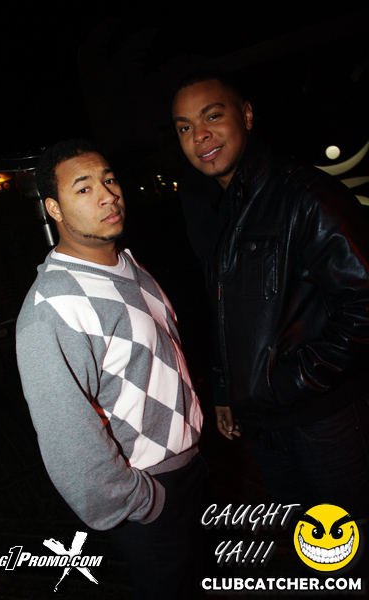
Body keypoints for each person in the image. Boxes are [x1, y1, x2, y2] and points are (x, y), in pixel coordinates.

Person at [172, 71, 369, 528]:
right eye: (184, 127)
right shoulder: (217, 207)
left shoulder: (305, 194)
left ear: (246, 115)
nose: (199, 135)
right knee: (309, 541)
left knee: (349, 543)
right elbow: (227, 311)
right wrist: (225, 388)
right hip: (265, 422)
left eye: (212, 116)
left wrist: (292, 381)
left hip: (325, 419)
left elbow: (364, 303)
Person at [16, 138, 206, 599]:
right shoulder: (52, 307)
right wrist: (141, 502)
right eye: (83, 189)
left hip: (193, 469)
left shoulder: (127, 264)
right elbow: (67, 437)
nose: (107, 195)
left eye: (109, 180)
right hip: (150, 491)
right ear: (54, 208)